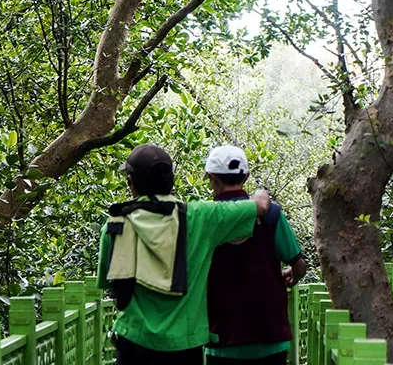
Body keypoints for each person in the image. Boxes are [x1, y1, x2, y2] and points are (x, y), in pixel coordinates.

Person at [97, 143, 272, 365]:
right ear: (171, 181)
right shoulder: (200, 217)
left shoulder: (115, 224)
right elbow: (261, 206)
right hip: (185, 346)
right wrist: (260, 192)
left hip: (133, 341)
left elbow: (109, 282)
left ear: (130, 182)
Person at [204, 144, 307, 365]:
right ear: (247, 176)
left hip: (223, 335)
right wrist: (292, 275)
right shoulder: (272, 214)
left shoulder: (206, 218)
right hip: (270, 335)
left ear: (213, 179)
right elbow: (299, 266)